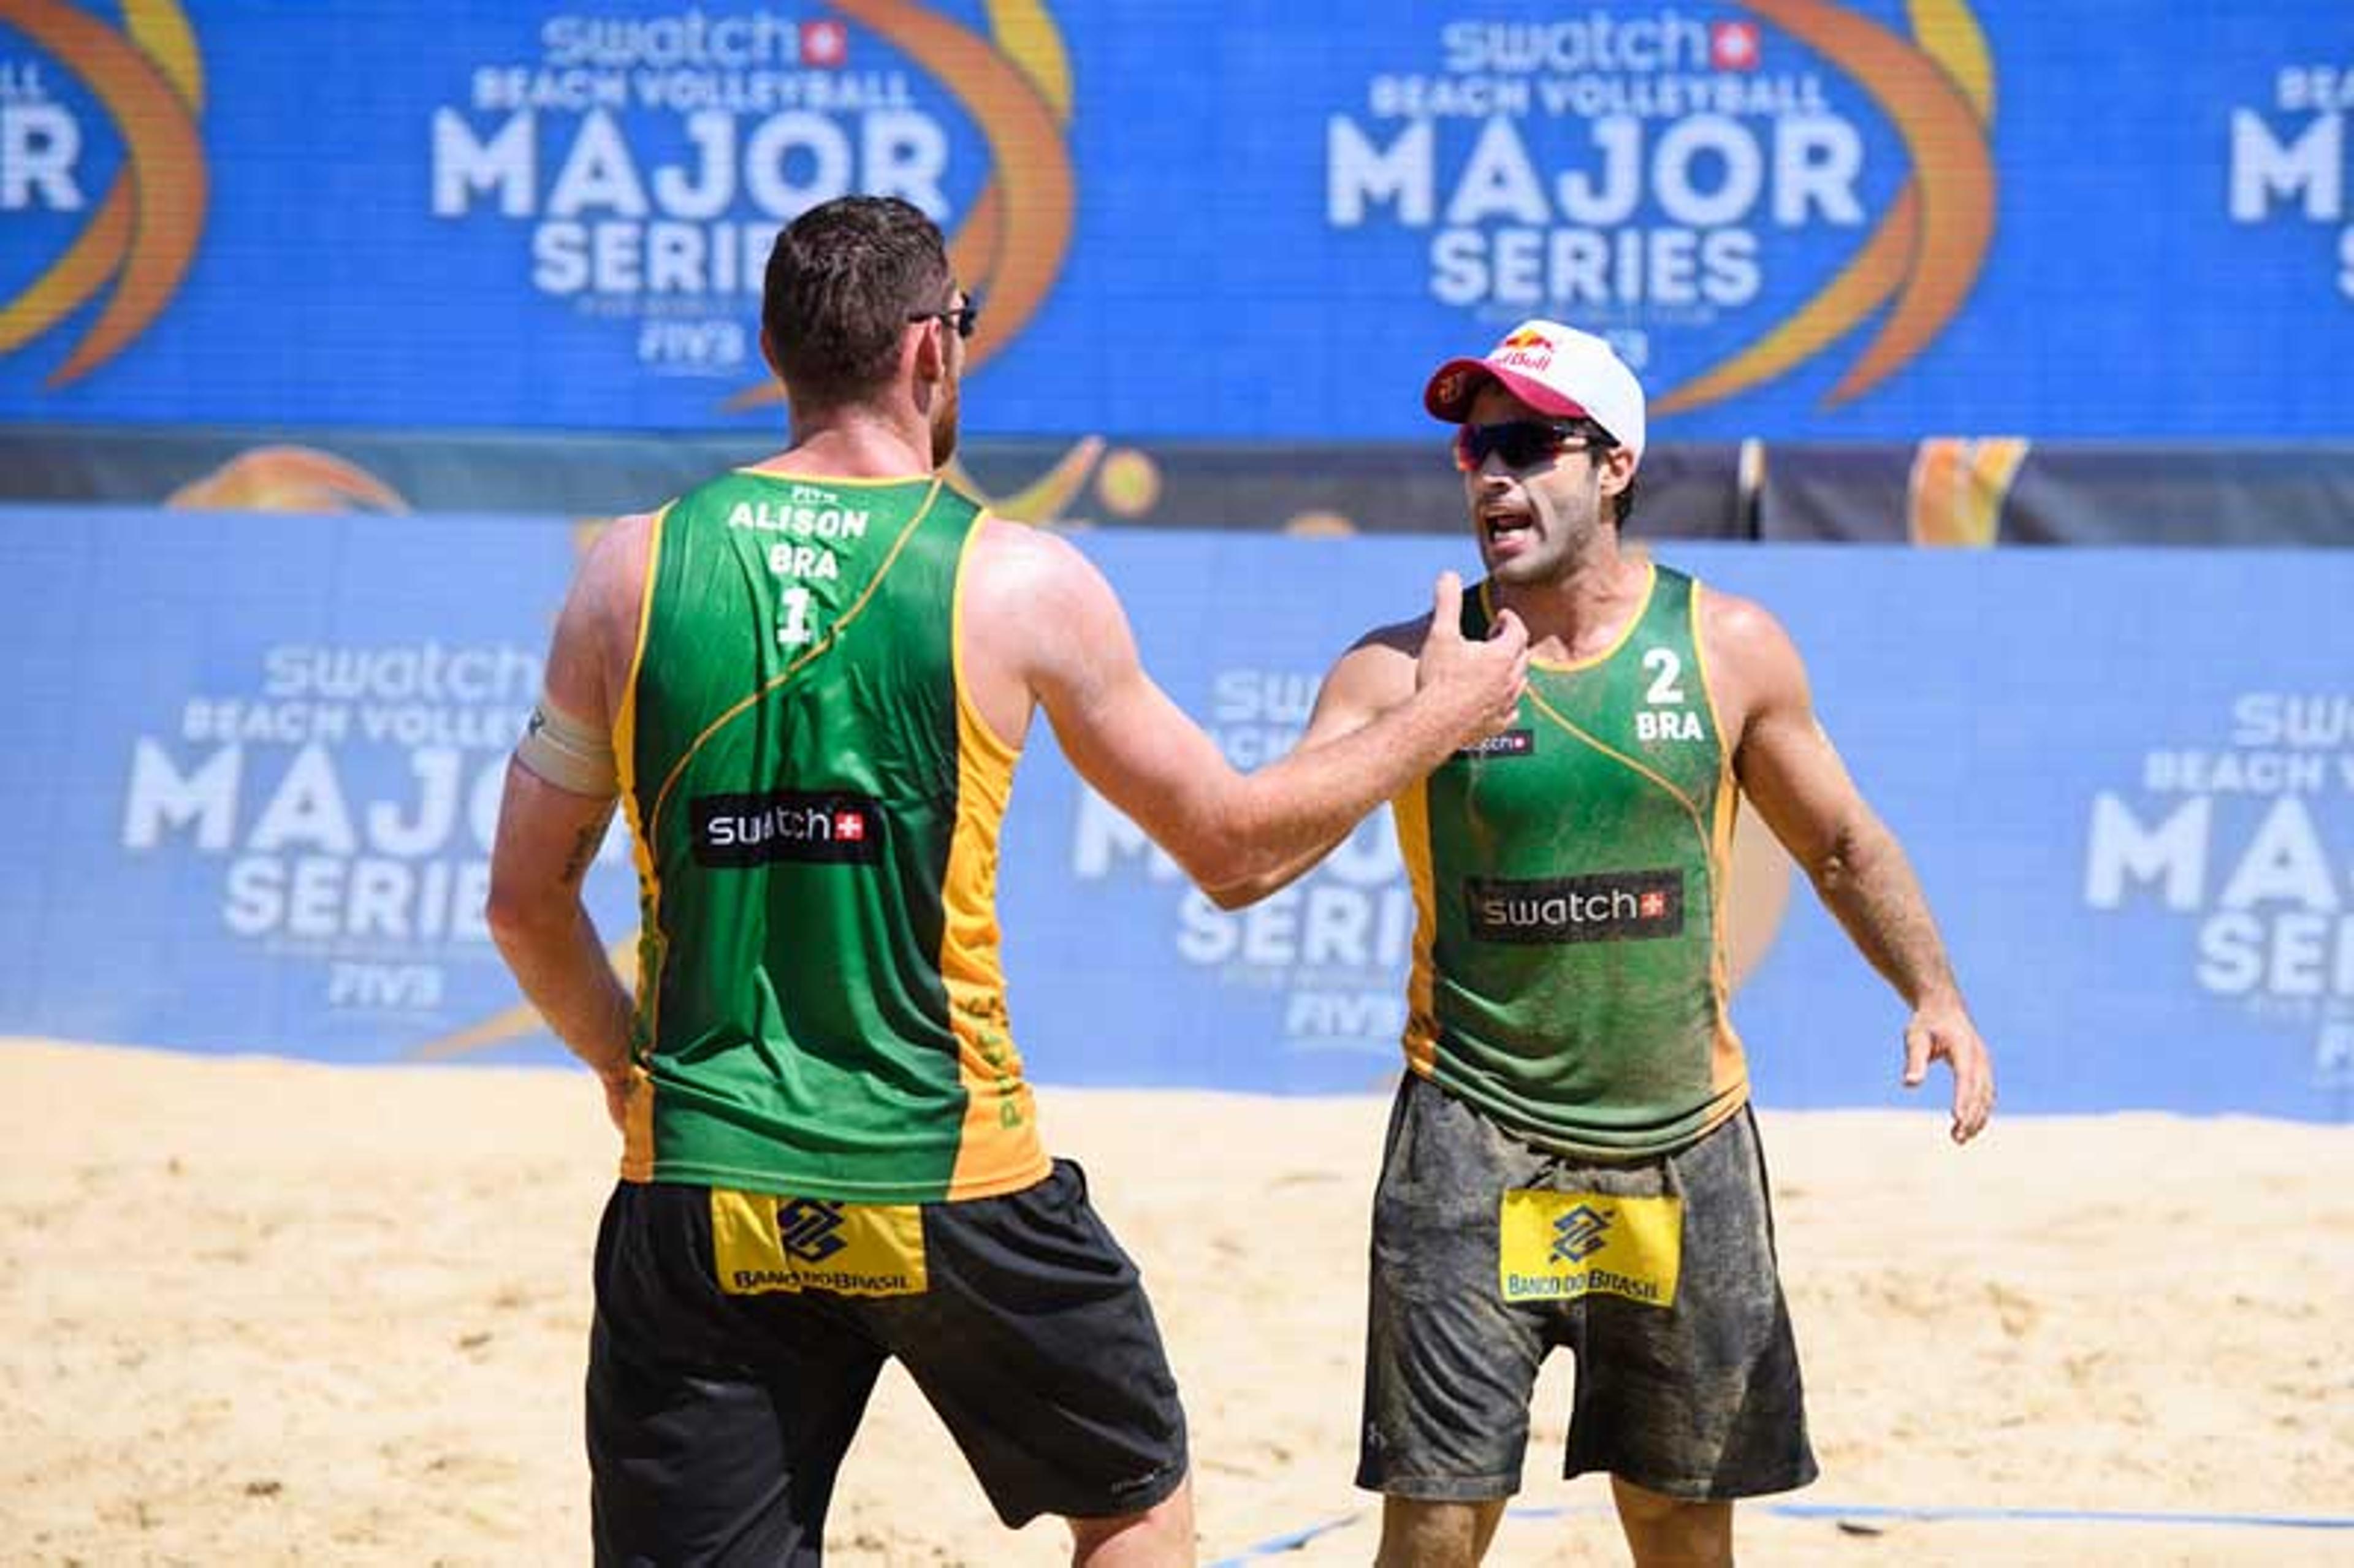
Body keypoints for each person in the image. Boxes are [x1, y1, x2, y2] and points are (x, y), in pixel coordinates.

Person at [483, 194, 1529, 1568]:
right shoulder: (1016, 581)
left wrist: (631, 1073)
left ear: (776, 350)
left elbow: (523, 902)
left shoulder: (630, 570)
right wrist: (1439, 715)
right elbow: (1235, 851)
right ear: (932, 349)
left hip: (698, 1178)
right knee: (1137, 1505)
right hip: (950, 1172)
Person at [1213, 320, 1996, 1568]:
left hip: (1684, 1139)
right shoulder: (1403, 665)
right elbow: (1246, 858)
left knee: (1682, 1531)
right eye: (1476, 446)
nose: (1492, 476)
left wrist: (1935, 991)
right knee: (1434, 1530)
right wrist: (1419, 729)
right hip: (1473, 1137)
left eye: (1529, 444)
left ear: (1616, 465)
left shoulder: (1725, 646)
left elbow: (1840, 843)